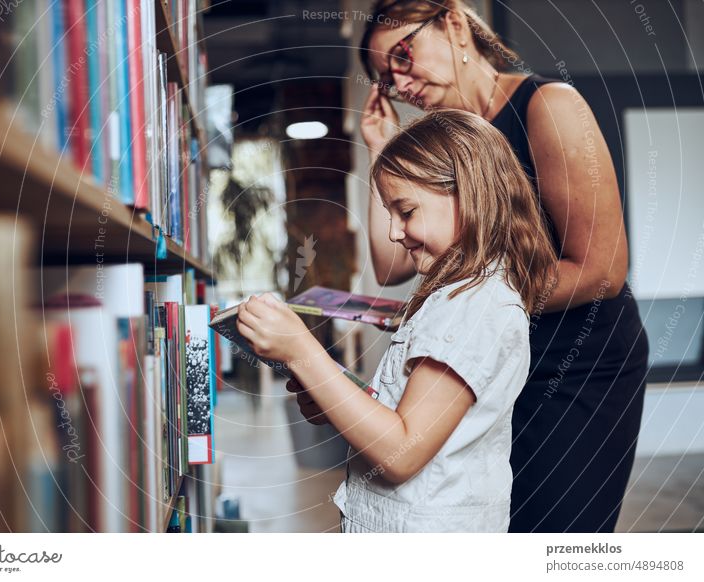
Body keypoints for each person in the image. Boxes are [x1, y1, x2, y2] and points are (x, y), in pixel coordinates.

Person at [351, 0, 649, 532]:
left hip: (577, 363)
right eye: (383, 77)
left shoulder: (549, 105)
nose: (398, 81)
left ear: (455, 24)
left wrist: (470, 307)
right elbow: (392, 263)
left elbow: (602, 269)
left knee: (552, 531)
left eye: (402, 54)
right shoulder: (449, 141)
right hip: (493, 360)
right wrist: (380, 147)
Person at [237, 109, 557, 532]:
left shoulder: (476, 305)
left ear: (470, 194)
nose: (393, 232)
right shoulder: (456, 295)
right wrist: (332, 395)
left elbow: (402, 451)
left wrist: (303, 351)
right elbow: (403, 415)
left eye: (405, 211)